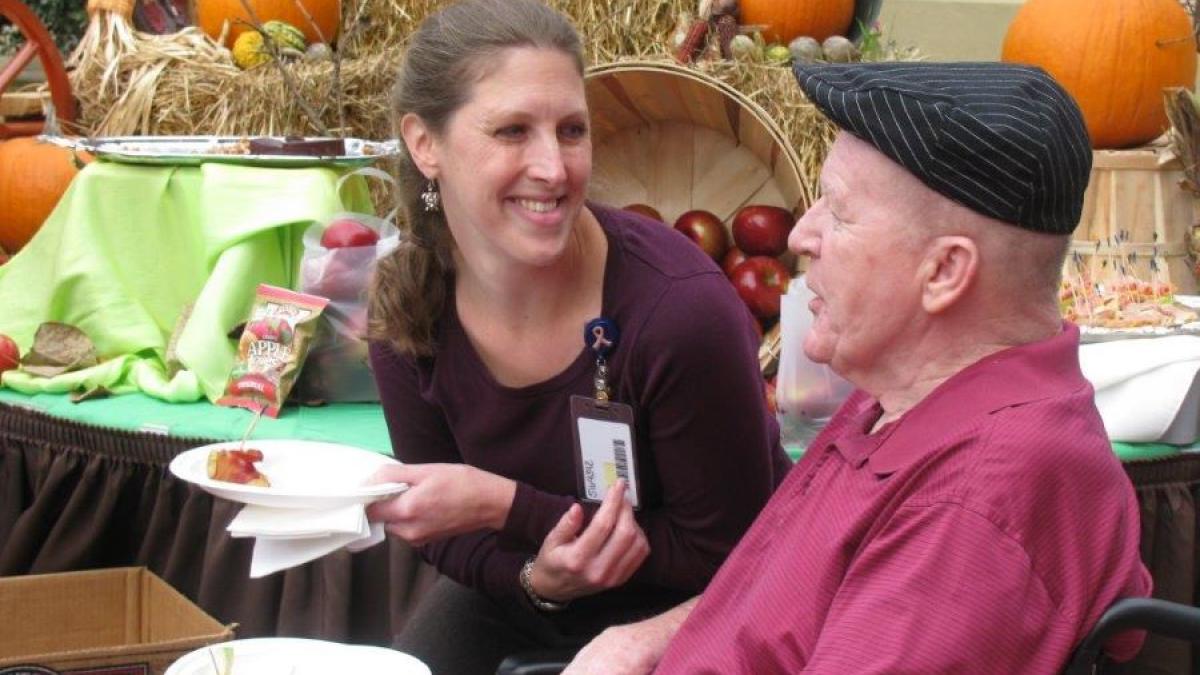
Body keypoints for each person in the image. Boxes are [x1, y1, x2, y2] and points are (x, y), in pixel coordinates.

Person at [562, 62, 1152, 674]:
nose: (802, 235)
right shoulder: (906, 394)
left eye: (839, 214)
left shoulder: (973, 501)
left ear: (945, 272)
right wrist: (644, 642)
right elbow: (793, 597)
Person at [362, 1, 791, 673]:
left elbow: (726, 554)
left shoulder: (679, 312)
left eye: (570, 130)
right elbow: (442, 535)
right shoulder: (407, 307)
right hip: (522, 593)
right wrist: (537, 578)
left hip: (696, 607)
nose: (554, 169)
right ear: (424, 143)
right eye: (511, 131)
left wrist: (507, 506)